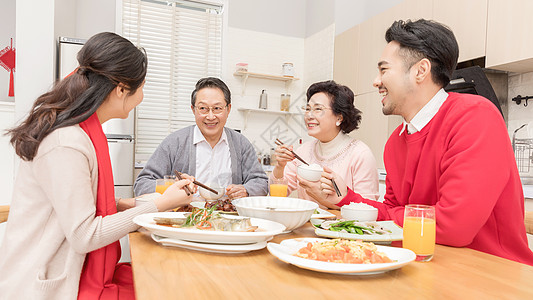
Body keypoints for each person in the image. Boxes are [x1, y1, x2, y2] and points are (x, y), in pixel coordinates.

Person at [321, 19, 533, 265]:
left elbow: (454, 226)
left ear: (421, 71)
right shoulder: (396, 141)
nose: (376, 81)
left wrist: (391, 215)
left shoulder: (475, 117)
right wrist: (344, 198)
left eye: (384, 70)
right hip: (426, 264)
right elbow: (391, 210)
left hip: (493, 273)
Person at [0, 32, 196, 299]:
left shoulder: (83, 132)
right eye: (142, 86)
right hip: (43, 287)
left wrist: (124, 204)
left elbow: (74, 203)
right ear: (121, 89)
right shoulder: (66, 141)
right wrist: (157, 205)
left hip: (72, 273)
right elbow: (84, 234)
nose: (142, 96)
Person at [134, 77, 268, 199]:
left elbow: (261, 182)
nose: (210, 116)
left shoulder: (241, 144)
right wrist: (172, 186)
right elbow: (142, 184)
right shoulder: (175, 142)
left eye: (217, 108)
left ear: (228, 109)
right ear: (193, 109)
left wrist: (246, 190)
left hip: (228, 218)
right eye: (203, 108)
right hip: (184, 218)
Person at [272, 80, 379, 209]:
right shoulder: (304, 151)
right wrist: (280, 166)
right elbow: (277, 195)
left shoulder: (360, 154)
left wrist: (323, 199)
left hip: (341, 228)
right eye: (307, 109)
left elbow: (367, 209)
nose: (309, 115)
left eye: (318, 109)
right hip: (305, 227)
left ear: (339, 117)